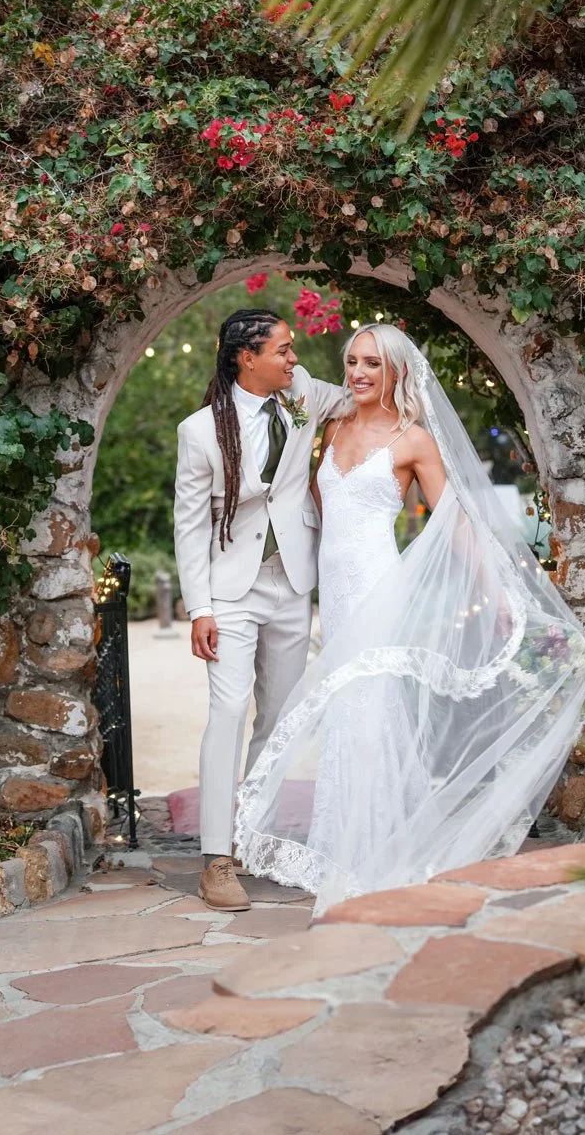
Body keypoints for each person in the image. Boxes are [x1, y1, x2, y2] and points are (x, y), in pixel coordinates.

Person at [230, 324, 585, 911]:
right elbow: (317, 509)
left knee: (371, 711)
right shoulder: (332, 427)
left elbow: (455, 520)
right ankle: (345, 851)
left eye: (372, 364)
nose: (358, 373)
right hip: (334, 594)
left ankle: (370, 860)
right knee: (347, 716)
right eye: (353, 362)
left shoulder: (414, 441)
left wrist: (497, 592)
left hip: (379, 587)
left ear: (397, 373)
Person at [172, 309, 343, 912]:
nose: (295, 359)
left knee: (279, 717)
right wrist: (200, 608)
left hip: (292, 580)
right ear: (248, 358)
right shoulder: (199, 432)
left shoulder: (302, 393)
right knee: (228, 711)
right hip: (231, 590)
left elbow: (359, 399)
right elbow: (190, 525)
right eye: (283, 350)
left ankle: (254, 838)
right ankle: (216, 859)